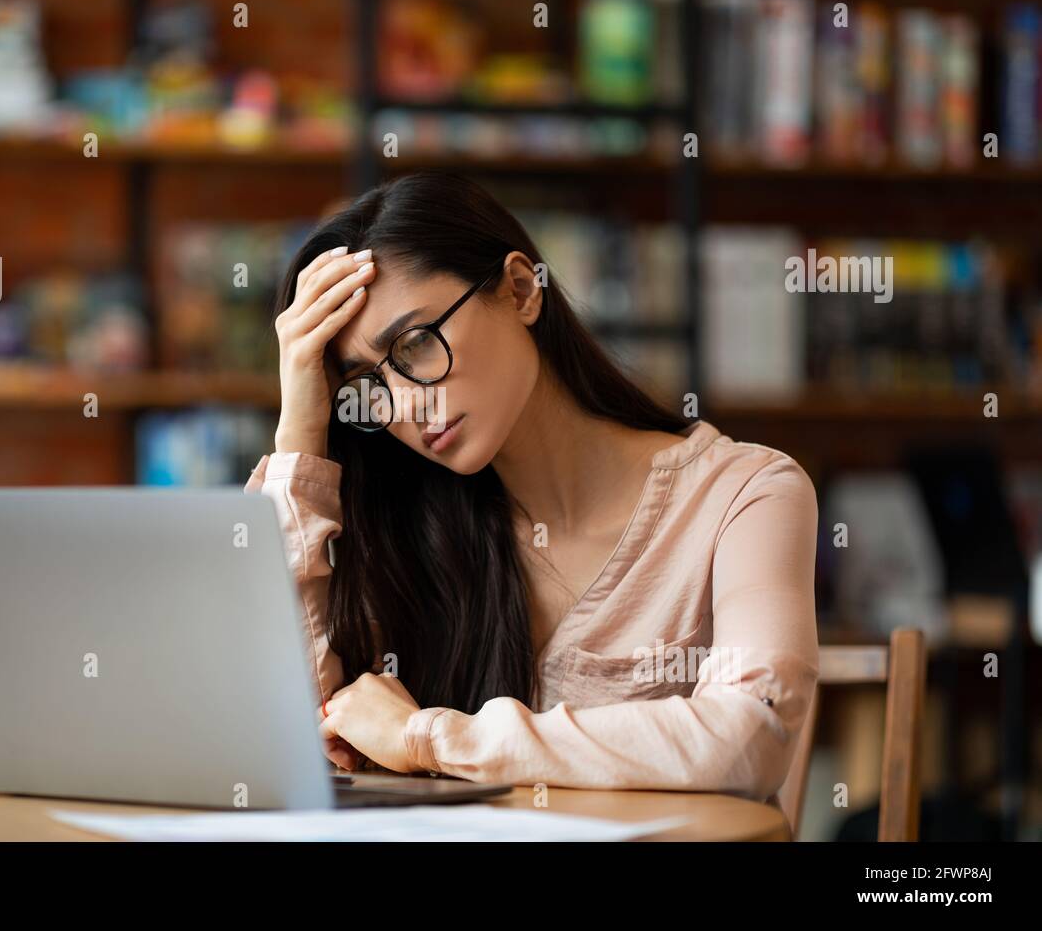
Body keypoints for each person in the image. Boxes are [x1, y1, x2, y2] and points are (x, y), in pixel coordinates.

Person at [245, 172, 819, 801]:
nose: (403, 405)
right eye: (366, 383)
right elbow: (272, 731)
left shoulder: (744, 495)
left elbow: (748, 735)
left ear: (521, 290)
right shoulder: (406, 522)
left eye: (414, 343)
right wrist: (300, 425)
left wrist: (429, 739)